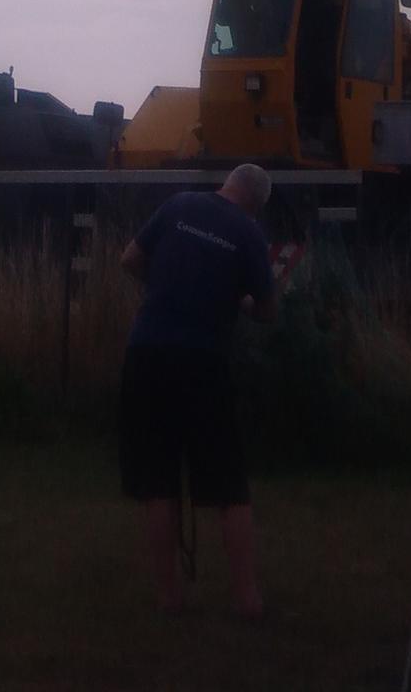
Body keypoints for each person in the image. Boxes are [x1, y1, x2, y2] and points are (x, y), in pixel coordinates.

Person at [119, 163, 275, 616]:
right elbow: (266, 311)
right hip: (204, 362)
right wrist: (237, 299)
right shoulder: (248, 234)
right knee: (228, 484)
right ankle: (247, 599)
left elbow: (129, 258)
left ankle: (169, 598)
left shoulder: (179, 204)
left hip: (146, 355)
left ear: (227, 184)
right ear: (256, 203)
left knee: (158, 480)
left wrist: (171, 286)